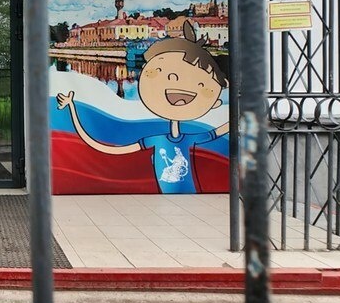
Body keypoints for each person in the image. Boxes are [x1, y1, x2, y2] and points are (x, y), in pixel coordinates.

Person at [56, 21, 228, 194]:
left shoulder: (175, 139)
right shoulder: (160, 139)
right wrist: (72, 108)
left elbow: (219, 131)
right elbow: (103, 147)